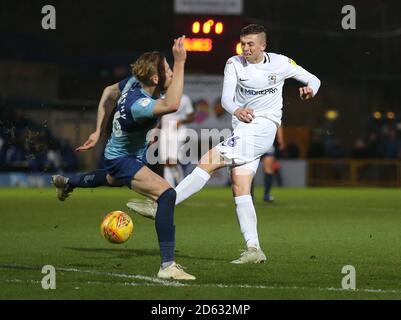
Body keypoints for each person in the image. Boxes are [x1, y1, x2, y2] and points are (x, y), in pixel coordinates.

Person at [127, 24, 321, 264]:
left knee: (208, 160)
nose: (246, 48)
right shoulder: (234, 63)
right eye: (243, 43)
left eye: (251, 44)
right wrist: (237, 109)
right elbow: (226, 99)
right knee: (240, 187)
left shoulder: (281, 63)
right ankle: (254, 249)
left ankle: (164, 204)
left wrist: (311, 89)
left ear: (263, 45)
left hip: (263, 128)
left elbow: (313, 78)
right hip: (243, 128)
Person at [51, 36, 196, 280]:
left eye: (173, 68)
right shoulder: (139, 105)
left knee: (112, 179)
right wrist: (180, 61)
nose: (172, 73)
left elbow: (108, 92)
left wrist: (98, 130)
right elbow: (172, 104)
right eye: (168, 71)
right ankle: (167, 265)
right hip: (123, 159)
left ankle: (68, 183)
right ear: (155, 79)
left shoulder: (132, 84)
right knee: (167, 194)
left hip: (121, 155)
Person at [159, 94, 195, 187]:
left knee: (172, 160)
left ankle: (182, 186)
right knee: (166, 162)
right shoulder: (163, 97)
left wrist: (181, 121)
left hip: (179, 132)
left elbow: (192, 117)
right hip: (165, 132)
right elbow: (160, 117)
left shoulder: (185, 98)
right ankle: (170, 188)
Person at [260, 125, 285, 202]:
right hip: (253, 142)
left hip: (267, 143)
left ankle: (266, 194)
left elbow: (279, 123)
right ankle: (249, 195)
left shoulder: (272, 113)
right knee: (249, 170)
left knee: (268, 169)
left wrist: (280, 139)